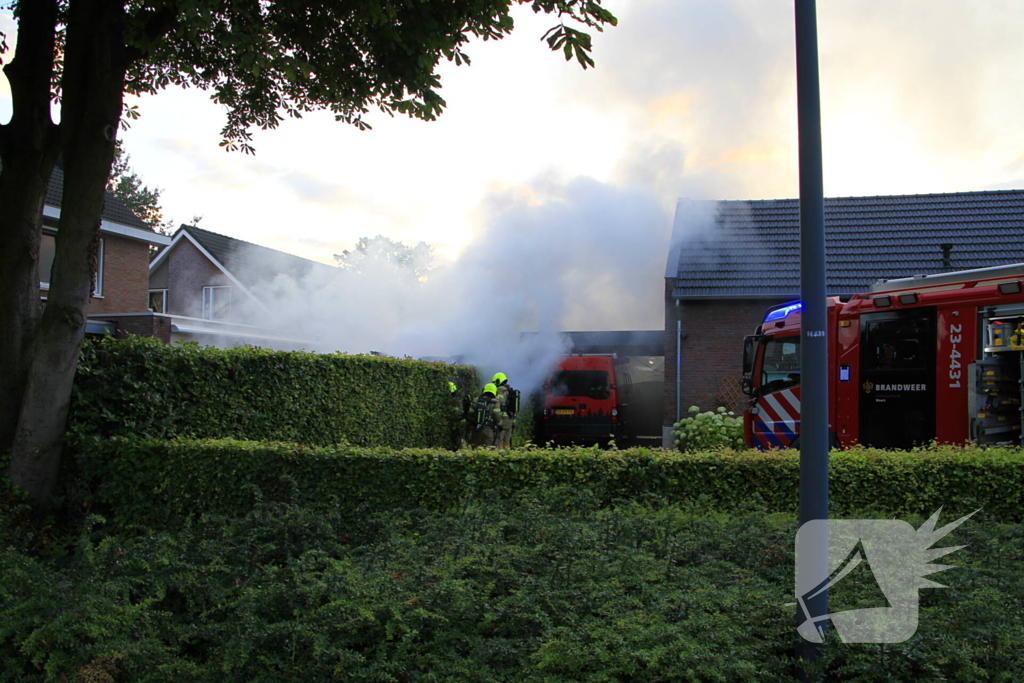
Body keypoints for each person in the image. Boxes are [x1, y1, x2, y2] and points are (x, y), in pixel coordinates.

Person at [468, 383, 503, 449]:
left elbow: (470, 413)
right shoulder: (495, 402)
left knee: (475, 449)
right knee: (488, 450)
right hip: (488, 430)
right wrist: (500, 425)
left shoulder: (476, 400)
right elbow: (496, 415)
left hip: (475, 429)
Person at [492, 372, 517, 449]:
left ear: (498, 381)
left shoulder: (500, 390)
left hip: (502, 418)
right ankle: (507, 454)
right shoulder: (509, 390)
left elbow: (499, 402)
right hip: (510, 418)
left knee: (499, 439)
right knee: (507, 440)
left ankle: (499, 455)